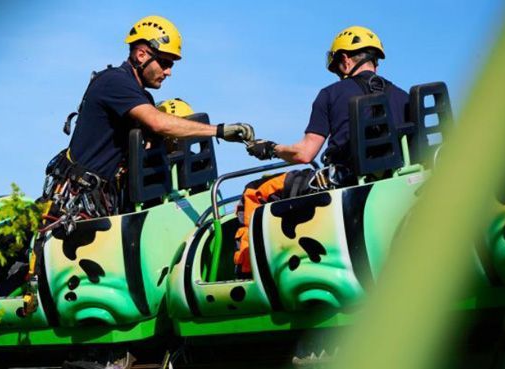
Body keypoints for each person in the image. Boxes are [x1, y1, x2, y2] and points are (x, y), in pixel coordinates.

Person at [40, 16, 254, 234]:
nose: (169, 71)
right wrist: (219, 131)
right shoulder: (114, 82)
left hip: (105, 201)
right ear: (141, 55)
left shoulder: (142, 98)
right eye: (165, 62)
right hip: (76, 203)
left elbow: (150, 146)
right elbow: (158, 123)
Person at [234, 26, 410, 274]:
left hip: (343, 182)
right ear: (374, 62)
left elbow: (305, 154)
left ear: (346, 60)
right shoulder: (403, 97)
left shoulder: (331, 94)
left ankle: (247, 273)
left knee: (253, 192)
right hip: (396, 183)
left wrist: (271, 148)